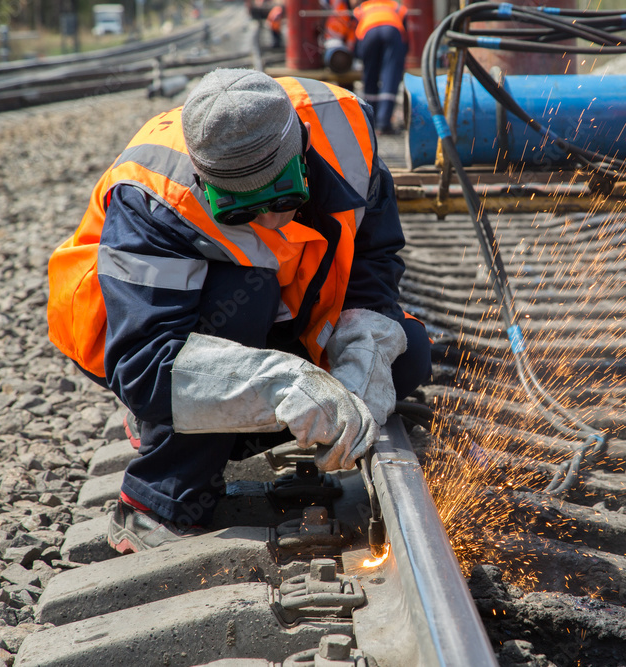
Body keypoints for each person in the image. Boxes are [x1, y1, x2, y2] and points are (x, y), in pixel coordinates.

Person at [47, 69, 431, 552]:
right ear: (204, 182)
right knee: (246, 297)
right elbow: (146, 363)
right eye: (243, 212)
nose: (272, 221)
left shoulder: (345, 130)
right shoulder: (152, 194)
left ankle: (210, 427)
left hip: (282, 305)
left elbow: (372, 255)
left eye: (284, 197)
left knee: (408, 353)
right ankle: (156, 502)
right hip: (134, 329)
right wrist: (283, 383)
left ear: (302, 152)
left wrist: (363, 348)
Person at [351, 0, 409, 134]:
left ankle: (370, 122)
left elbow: (355, 38)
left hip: (368, 32)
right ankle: (383, 123)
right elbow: (405, 38)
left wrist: (359, 55)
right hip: (392, 30)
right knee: (390, 75)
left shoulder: (361, 8)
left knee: (370, 75)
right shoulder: (397, 7)